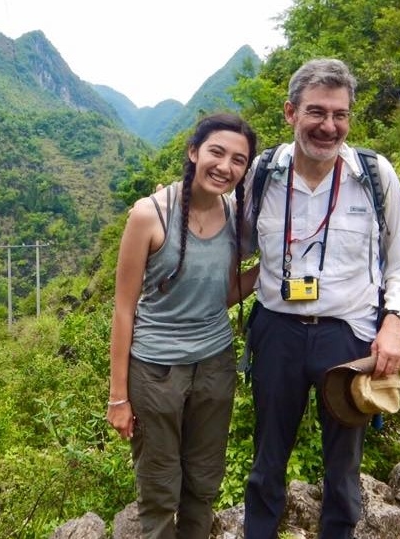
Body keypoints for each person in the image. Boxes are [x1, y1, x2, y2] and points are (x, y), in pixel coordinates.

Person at [241, 58, 400, 539]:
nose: (329, 126)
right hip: (275, 330)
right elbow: (226, 242)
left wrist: (395, 324)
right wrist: (169, 208)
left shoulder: (374, 175)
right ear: (290, 113)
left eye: (339, 114)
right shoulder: (262, 175)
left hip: (348, 337)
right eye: (316, 112)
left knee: (343, 469)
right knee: (267, 460)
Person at [107, 112, 259, 539]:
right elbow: (124, 309)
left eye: (238, 160)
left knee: (204, 479)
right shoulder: (149, 215)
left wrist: (270, 272)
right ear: (193, 152)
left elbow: (221, 295)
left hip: (215, 365)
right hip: (156, 373)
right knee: (159, 485)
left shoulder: (234, 216)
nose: (225, 166)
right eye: (216, 152)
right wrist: (118, 398)